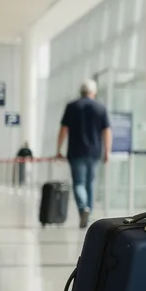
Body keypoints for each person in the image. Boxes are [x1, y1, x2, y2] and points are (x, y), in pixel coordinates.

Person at [57, 80, 111, 229]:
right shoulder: (100, 108)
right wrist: (107, 151)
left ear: (80, 92)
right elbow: (107, 132)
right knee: (90, 183)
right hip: (94, 152)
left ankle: (83, 210)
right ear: (93, 92)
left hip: (76, 151)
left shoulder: (72, 106)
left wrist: (58, 149)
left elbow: (63, 130)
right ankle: (89, 212)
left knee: (79, 183)